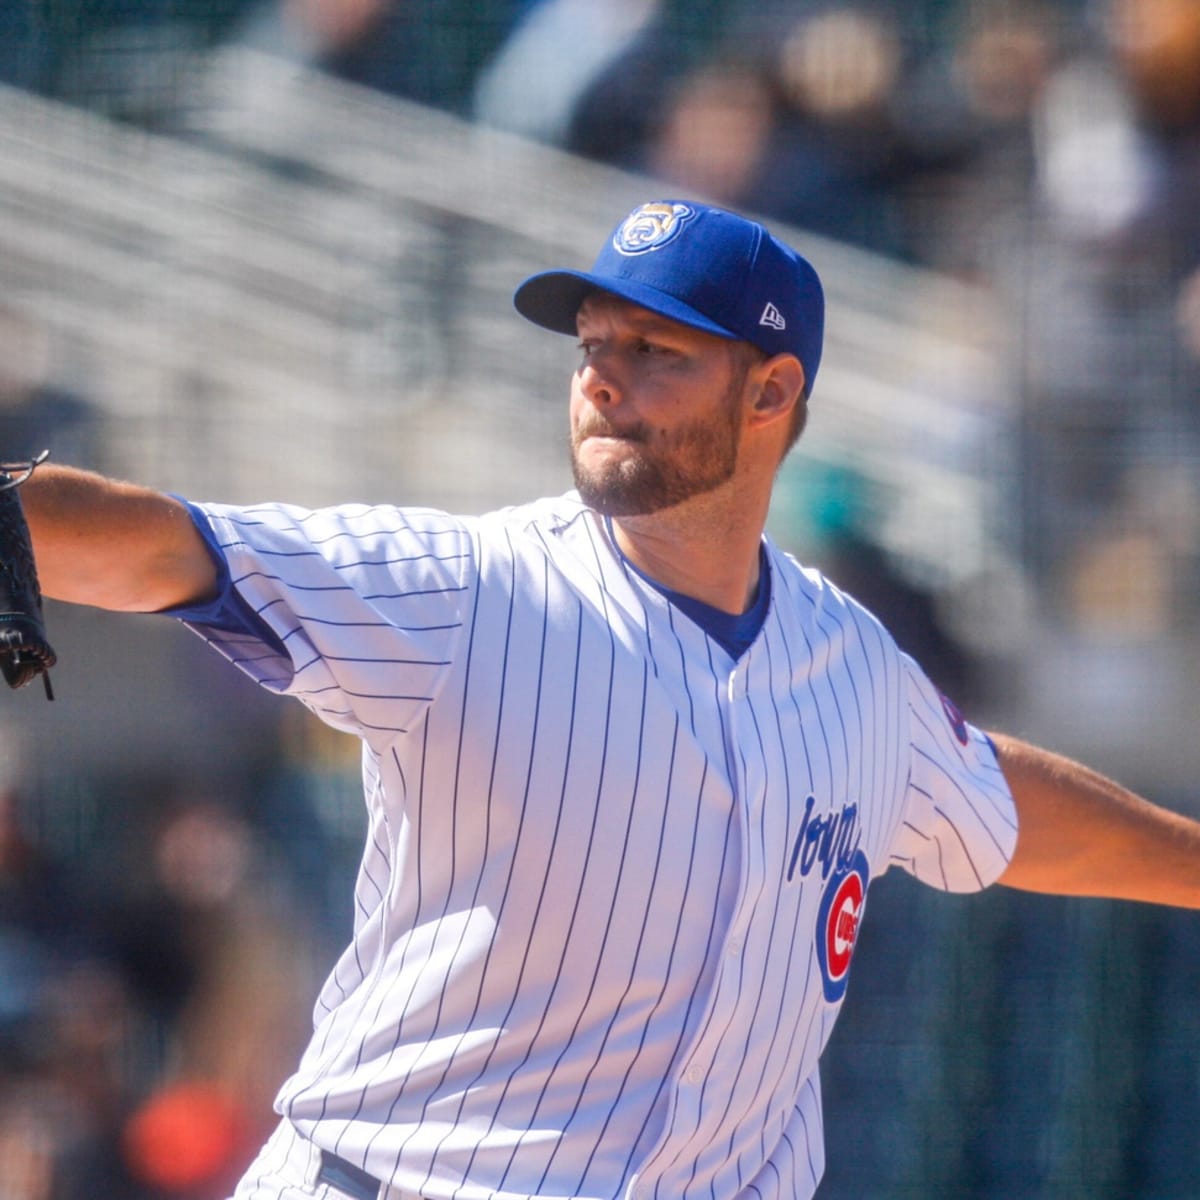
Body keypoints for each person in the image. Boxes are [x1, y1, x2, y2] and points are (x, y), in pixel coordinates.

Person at [16, 199, 1200, 1200]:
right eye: (592, 344)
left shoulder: (856, 670)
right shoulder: (470, 591)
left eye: (657, 352)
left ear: (772, 391)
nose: (603, 381)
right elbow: (175, 548)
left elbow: (997, 804)